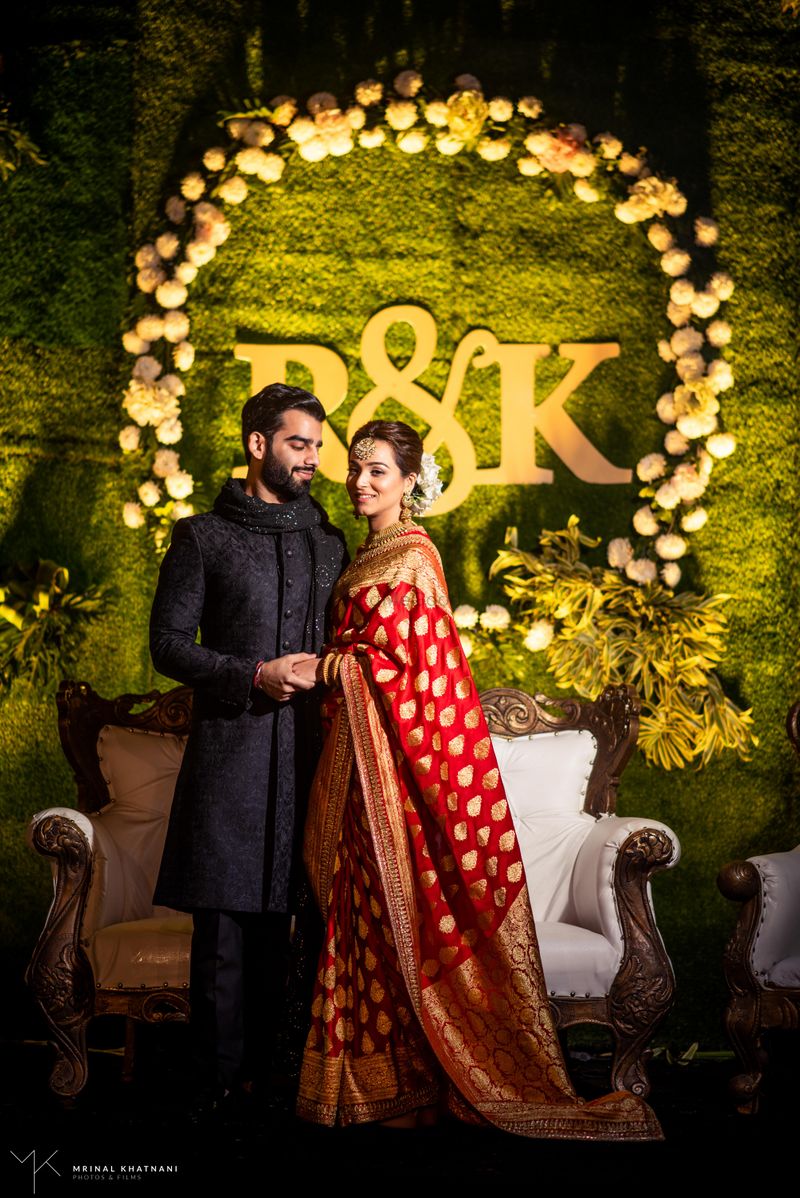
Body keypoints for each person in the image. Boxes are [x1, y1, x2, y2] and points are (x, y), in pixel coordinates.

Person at [293, 419, 661, 1140]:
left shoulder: (412, 559)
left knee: (393, 919)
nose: (361, 482)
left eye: (377, 471)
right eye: (356, 469)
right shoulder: (366, 554)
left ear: (408, 481)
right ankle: (371, 1085)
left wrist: (344, 665)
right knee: (360, 921)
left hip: (393, 772)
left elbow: (419, 672)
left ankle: (417, 1080)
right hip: (358, 765)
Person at [150, 382, 347, 1111]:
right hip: (230, 757)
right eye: (300, 445)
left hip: (308, 758)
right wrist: (251, 674)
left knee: (289, 931)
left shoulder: (326, 539)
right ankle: (217, 1091)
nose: (313, 460)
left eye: (318, 448)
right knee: (225, 933)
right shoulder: (203, 536)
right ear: (257, 444)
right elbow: (167, 646)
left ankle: (276, 1085)